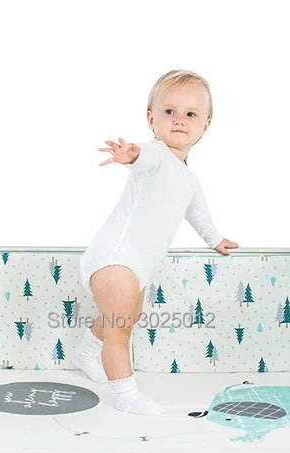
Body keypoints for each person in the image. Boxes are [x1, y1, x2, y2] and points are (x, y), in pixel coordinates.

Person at [70, 69, 239, 415]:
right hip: (114, 259)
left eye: (190, 114)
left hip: (138, 266)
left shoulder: (190, 180)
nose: (179, 120)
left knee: (126, 318)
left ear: (205, 125)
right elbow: (142, 157)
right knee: (119, 331)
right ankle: (127, 395)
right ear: (151, 118)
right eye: (169, 111)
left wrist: (217, 240)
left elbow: (199, 215)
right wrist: (130, 154)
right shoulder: (156, 155)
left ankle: (86, 351)